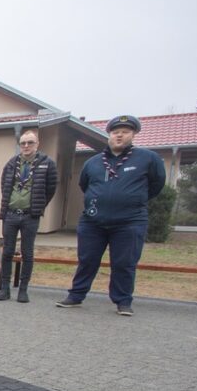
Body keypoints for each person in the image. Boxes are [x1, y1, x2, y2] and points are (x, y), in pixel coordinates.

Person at [57, 115, 166, 316]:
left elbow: (156, 185)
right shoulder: (93, 162)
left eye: (125, 132)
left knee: (124, 262)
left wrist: (130, 199)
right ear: (109, 135)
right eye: (116, 132)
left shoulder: (148, 158)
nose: (119, 136)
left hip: (130, 221)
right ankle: (76, 295)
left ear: (133, 134)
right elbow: (85, 185)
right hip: (93, 221)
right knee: (87, 259)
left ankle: (123, 301)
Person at [0, 131, 57, 303]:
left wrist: (37, 206)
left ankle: (23, 290)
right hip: (11, 214)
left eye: (30, 142)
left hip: (30, 216)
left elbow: (51, 189)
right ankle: (5, 289)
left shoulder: (47, 163)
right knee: (7, 251)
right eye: (23, 143)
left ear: (37, 143)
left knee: (27, 253)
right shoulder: (12, 163)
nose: (26, 146)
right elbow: (4, 186)